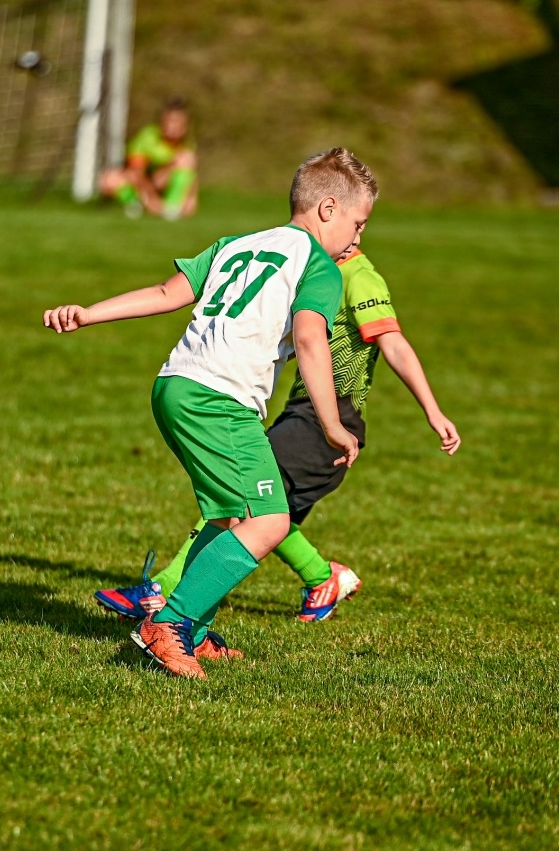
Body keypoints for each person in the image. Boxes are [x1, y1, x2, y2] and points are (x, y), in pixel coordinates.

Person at [44, 148, 376, 679]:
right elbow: (313, 340)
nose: (358, 239)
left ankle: (192, 635)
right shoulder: (317, 265)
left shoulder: (239, 244)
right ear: (329, 209)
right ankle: (168, 625)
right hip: (219, 398)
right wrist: (333, 425)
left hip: (175, 385)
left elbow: (164, 292)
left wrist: (88, 313)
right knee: (269, 521)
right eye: (358, 224)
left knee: (228, 516)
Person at [96, 241, 461, 623]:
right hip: (303, 411)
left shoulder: (358, 276)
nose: (354, 235)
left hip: (331, 421)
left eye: (361, 225)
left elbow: (395, 345)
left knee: (240, 502)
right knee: (260, 510)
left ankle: (163, 593)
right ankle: (322, 577)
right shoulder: (306, 265)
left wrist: (432, 411)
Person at [98, 97, 198, 220]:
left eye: (178, 122)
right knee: (109, 179)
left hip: (161, 185)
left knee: (186, 159)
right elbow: (137, 173)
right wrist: (152, 202)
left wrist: (191, 199)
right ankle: (135, 204)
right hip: (141, 185)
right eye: (170, 121)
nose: (173, 126)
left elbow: (190, 178)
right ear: (162, 121)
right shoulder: (147, 138)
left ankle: (172, 208)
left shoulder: (187, 144)